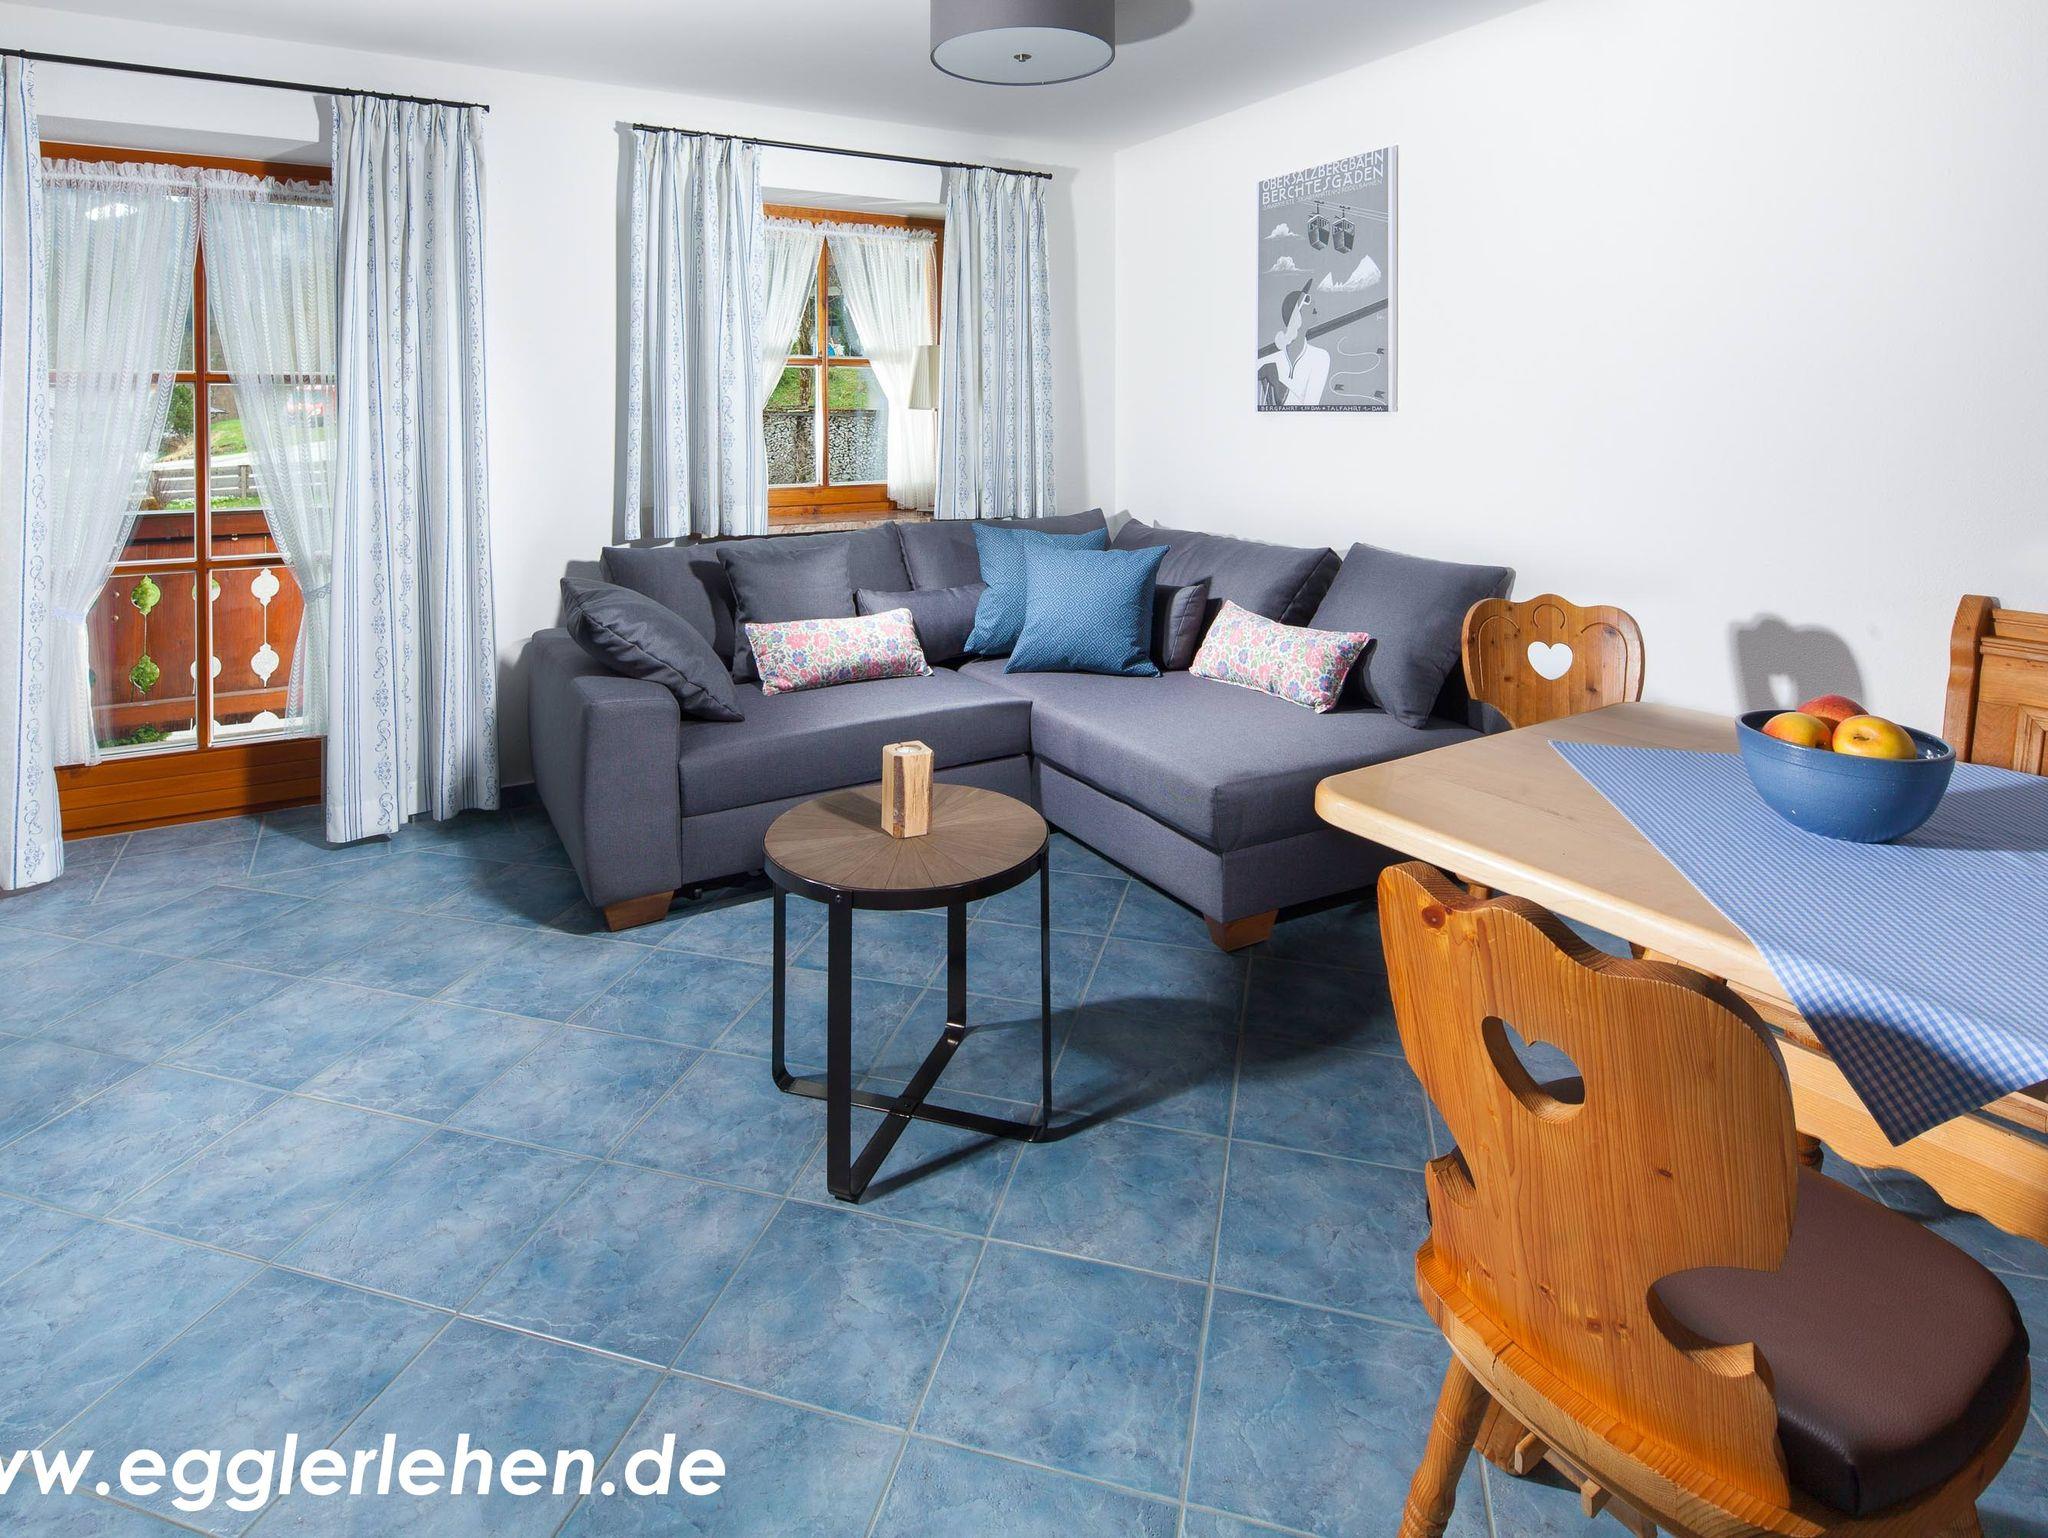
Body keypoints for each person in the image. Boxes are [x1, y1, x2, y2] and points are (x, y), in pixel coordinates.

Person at [1260, 279, 1329, 407]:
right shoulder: (1268, 359)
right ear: (1296, 316)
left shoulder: (1321, 357)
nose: (1313, 304)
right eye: (1307, 301)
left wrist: (1279, 385)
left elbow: (1310, 408)